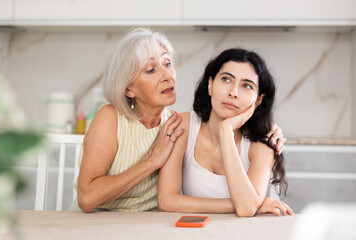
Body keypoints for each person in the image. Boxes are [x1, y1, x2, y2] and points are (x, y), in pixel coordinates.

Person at [75, 28, 285, 213]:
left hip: (151, 223)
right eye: (151, 69)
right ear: (128, 88)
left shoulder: (173, 123)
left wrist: (265, 125)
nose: (167, 75)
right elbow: (87, 198)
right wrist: (152, 163)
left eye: (168, 63)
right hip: (100, 219)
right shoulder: (113, 118)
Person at [157, 48, 294, 217]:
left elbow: (245, 210)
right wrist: (243, 203)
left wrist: (226, 130)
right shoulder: (183, 125)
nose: (233, 93)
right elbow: (166, 201)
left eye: (247, 86)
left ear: (258, 100)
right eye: (226, 79)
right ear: (210, 85)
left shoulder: (264, 141)